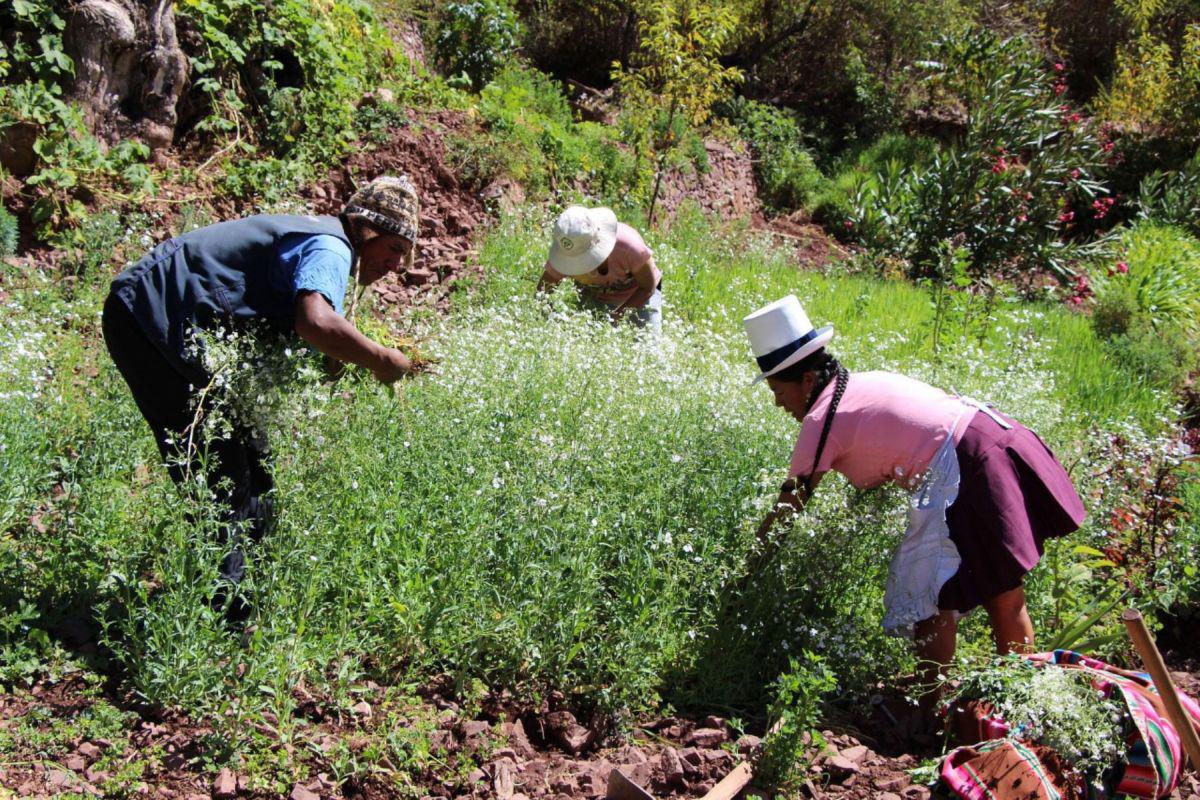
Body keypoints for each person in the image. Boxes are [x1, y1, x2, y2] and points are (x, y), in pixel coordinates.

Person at [102, 175, 421, 614]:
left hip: (167, 325)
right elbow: (316, 323)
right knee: (220, 473)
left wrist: (336, 360)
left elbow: (309, 330)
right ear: (369, 232)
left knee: (255, 465)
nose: (397, 265)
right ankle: (225, 617)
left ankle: (253, 590)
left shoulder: (325, 242)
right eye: (395, 250)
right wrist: (383, 360)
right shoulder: (332, 247)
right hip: (149, 318)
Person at [743, 295, 1086, 702]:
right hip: (992, 438)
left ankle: (934, 704)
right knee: (1001, 592)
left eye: (778, 391)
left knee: (931, 594)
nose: (778, 404)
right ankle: (1023, 701)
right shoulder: (860, 384)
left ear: (805, 379)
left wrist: (745, 575)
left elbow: (788, 508)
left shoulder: (820, 420)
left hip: (964, 466)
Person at [537, 205, 663, 330]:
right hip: (596, 298)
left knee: (648, 340)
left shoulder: (628, 246)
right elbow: (542, 292)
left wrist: (616, 317)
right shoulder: (565, 253)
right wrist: (552, 321)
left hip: (638, 294)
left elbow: (647, 287)